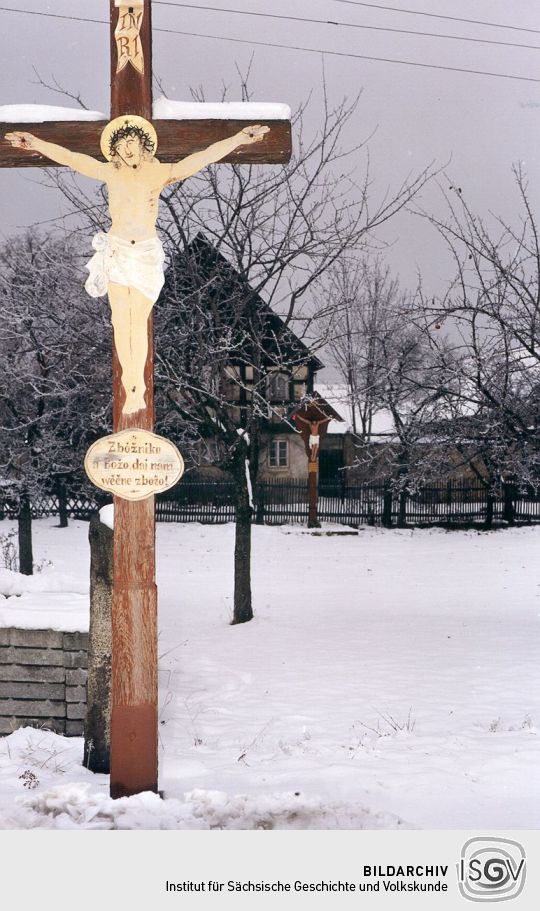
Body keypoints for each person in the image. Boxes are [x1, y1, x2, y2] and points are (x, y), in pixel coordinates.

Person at [5, 117, 269, 414]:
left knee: (138, 324)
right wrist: (35, 143)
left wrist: (238, 140)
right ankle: (130, 383)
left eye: (131, 142)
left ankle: (137, 386)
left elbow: (200, 159)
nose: (127, 149)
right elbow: (72, 158)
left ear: (142, 144)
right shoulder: (110, 172)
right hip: (117, 251)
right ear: (114, 150)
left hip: (143, 254)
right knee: (121, 321)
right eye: (121, 145)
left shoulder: (159, 173)